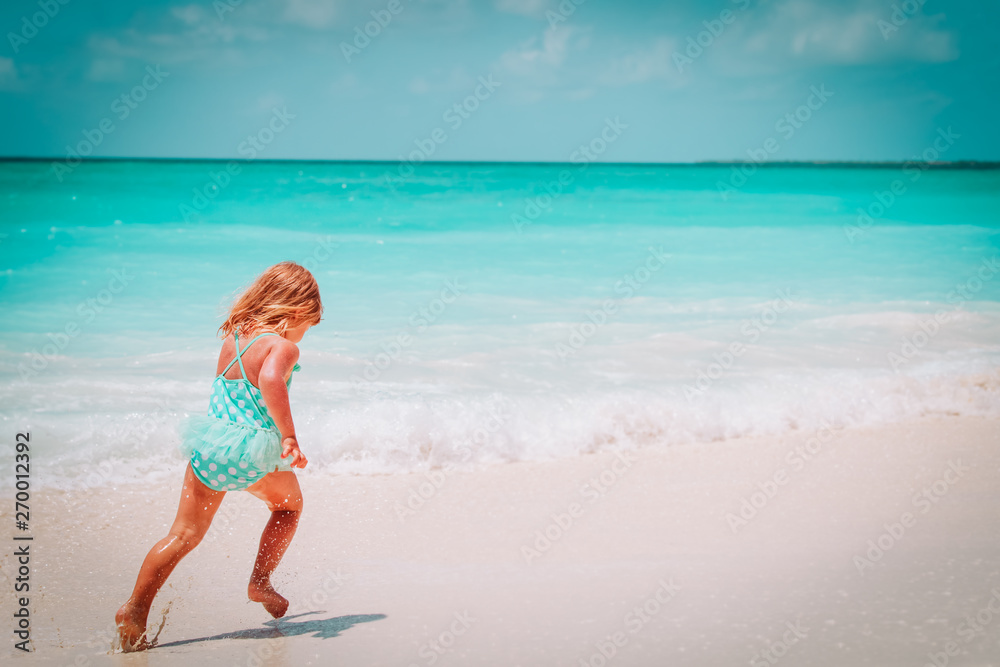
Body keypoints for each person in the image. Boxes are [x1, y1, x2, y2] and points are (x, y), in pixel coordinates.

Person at [115, 261, 322, 652]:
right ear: (295, 312)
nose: (303, 336)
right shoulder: (284, 346)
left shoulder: (234, 338)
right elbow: (272, 379)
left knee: (181, 535)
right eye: (306, 326)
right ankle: (259, 581)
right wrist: (290, 436)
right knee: (289, 508)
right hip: (252, 453)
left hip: (211, 447)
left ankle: (135, 608)